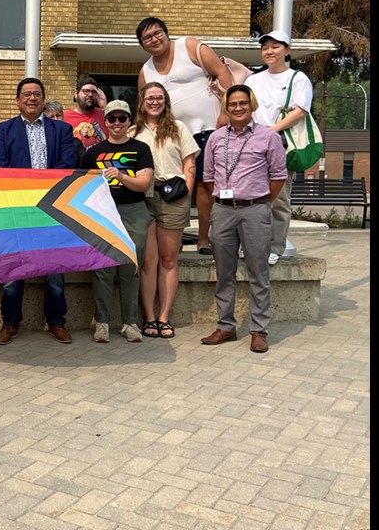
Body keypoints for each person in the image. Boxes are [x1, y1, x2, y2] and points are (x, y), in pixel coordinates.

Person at [200, 85, 287, 353]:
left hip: (255, 210)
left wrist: (259, 203)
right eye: (233, 103)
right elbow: (208, 177)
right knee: (224, 272)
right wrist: (224, 204)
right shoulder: (215, 138)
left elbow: (278, 177)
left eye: (243, 103)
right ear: (226, 107)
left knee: (258, 272)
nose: (238, 108)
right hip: (223, 211)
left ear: (252, 105)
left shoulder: (268, 137)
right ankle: (226, 326)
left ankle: (259, 330)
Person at [0, 77, 76, 345]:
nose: (31, 98)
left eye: (36, 94)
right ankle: (10, 322)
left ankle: (56, 322)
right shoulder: (3, 130)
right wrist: (25, 190)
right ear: (18, 100)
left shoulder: (61, 130)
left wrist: (41, 190)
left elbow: (67, 165)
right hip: (16, 209)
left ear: (43, 98)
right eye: (26, 94)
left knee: (54, 271)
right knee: (13, 271)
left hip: (51, 209)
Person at [137, 16, 232, 255]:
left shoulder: (189, 46)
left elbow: (222, 73)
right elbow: (145, 105)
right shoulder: (145, 71)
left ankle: (203, 238)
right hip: (171, 136)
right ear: (142, 44)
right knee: (173, 185)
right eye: (147, 37)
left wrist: (225, 113)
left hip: (209, 129)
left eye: (157, 33)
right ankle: (174, 237)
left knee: (204, 186)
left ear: (166, 33)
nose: (154, 39)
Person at [129, 82, 200, 340]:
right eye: (150, 98)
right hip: (144, 196)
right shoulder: (133, 131)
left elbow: (189, 161)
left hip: (174, 194)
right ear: (142, 101)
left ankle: (164, 317)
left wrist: (187, 191)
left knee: (169, 260)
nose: (155, 102)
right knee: (149, 261)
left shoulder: (178, 128)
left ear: (165, 101)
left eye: (159, 98)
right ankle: (148, 316)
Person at [81, 100, 154, 344]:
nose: (117, 123)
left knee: (130, 266)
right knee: (102, 267)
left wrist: (121, 176)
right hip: (102, 211)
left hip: (133, 210)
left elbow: (144, 184)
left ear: (129, 121)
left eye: (122, 118)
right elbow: (81, 186)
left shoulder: (141, 149)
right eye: (112, 118)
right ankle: (101, 322)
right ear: (106, 121)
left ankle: (130, 322)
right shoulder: (92, 153)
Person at [245, 30, 314, 265]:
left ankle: (276, 246)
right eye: (265, 47)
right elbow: (245, 108)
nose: (269, 51)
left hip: (279, 143)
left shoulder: (298, 78)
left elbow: (300, 111)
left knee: (279, 198)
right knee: (251, 196)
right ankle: (253, 245)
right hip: (253, 143)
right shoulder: (253, 79)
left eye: (275, 46)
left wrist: (271, 132)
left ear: (287, 50)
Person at [63, 76, 108, 150]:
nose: (90, 94)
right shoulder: (64, 117)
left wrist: (105, 108)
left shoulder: (106, 115)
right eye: (86, 91)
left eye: (94, 92)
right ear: (76, 93)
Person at [44, 100, 85, 167]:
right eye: (51, 117)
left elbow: (83, 166)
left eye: (58, 115)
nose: (56, 119)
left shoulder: (75, 143)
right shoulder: (42, 141)